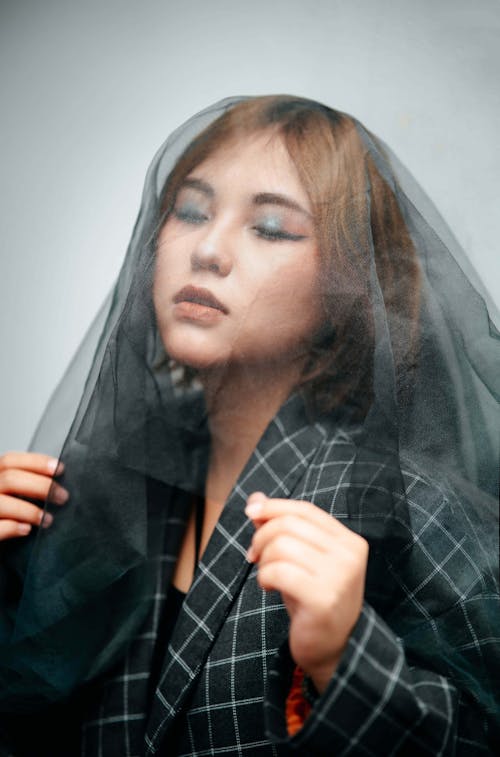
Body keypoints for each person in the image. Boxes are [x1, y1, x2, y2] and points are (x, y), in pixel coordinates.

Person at [0, 96, 498, 755]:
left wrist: (346, 661)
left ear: (348, 281)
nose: (206, 249)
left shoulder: (409, 506)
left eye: (269, 227)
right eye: (191, 210)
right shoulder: (107, 493)